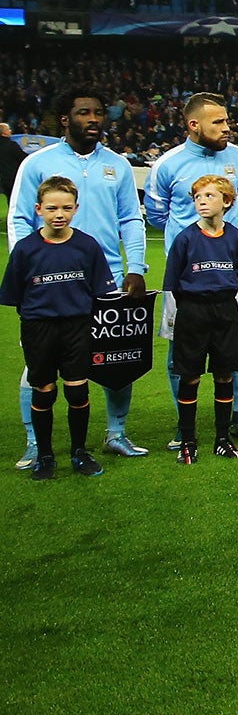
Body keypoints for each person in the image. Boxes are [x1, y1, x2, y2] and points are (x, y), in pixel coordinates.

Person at [9, 90, 146, 467]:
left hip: (108, 280)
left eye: (99, 112)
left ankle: (116, 433)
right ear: (65, 119)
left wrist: (135, 266)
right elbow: (19, 218)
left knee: (118, 359)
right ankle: (37, 443)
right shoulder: (38, 163)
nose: (93, 118)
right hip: (50, 283)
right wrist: (29, 267)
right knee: (39, 363)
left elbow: (131, 219)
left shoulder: (117, 165)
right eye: (83, 112)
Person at [144, 92, 238, 446]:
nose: (227, 127)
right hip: (188, 278)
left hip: (230, 273)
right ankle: (185, 426)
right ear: (194, 125)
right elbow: (156, 214)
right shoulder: (168, 164)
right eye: (219, 122)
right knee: (179, 349)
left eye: (227, 120)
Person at [1, 177, 115, 480]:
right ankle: (46, 455)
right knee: (45, 391)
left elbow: (99, 290)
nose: (59, 214)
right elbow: (14, 295)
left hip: (77, 327)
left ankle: (79, 452)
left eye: (66, 207)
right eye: (51, 208)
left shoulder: (87, 245)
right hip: (39, 328)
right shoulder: (26, 249)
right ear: (39, 209)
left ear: (76, 208)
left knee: (77, 390)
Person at [163, 174, 238, 463]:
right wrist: (194, 302)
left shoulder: (237, 238)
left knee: (224, 374)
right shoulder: (186, 238)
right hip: (193, 312)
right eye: (198, 197)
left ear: (226, 202)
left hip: (225, 312)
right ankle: (188, 439)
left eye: (209, 196)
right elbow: (174, 281)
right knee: (190, 376)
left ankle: (222, 438)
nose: (202, 201)